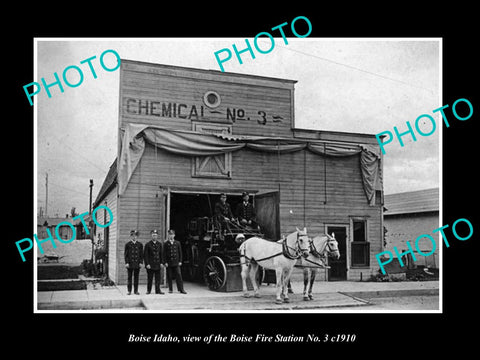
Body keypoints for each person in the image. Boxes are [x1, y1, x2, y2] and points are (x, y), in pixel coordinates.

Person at [163, 229, 186, 294]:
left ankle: (181, 289)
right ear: (168, 235)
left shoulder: (177, 243)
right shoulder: (166, 243)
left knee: (179, 275)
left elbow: (180, 253)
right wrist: (165, 262)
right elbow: (164, 253)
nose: (171, 236)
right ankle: (170, 289)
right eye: (170, 234)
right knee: (169, 276)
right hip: (169, 262)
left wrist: (180, 261)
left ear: (174, 235)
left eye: (172, 234)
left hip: (176, 262)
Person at [143, 229, 164, 295]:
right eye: (153, 235)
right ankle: (148, 290)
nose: (154, 236)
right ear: (151, 236)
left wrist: (161, 263)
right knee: (150, 278)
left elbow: (161, 254)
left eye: (155, 235)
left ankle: (158, 290)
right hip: (150, 265)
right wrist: (147, 264)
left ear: (157, 236)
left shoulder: (159, 244)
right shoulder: (148, 244)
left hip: (157, 264)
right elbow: (145, 255)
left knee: (158, 279)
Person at [124, 230, 143, 295]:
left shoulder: (140, 244)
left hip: (137, 263)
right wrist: (126, 263)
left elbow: (141, 255)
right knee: (129, 277)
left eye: (135, 236)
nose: (134, 237)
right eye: (132, 235)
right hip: (130, 263)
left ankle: (136, 291)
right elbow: (126, 255)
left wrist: (141, 262)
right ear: (131, 236)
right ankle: (129, 291)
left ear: (137, 236)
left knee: (136, 277)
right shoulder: (128, 244)